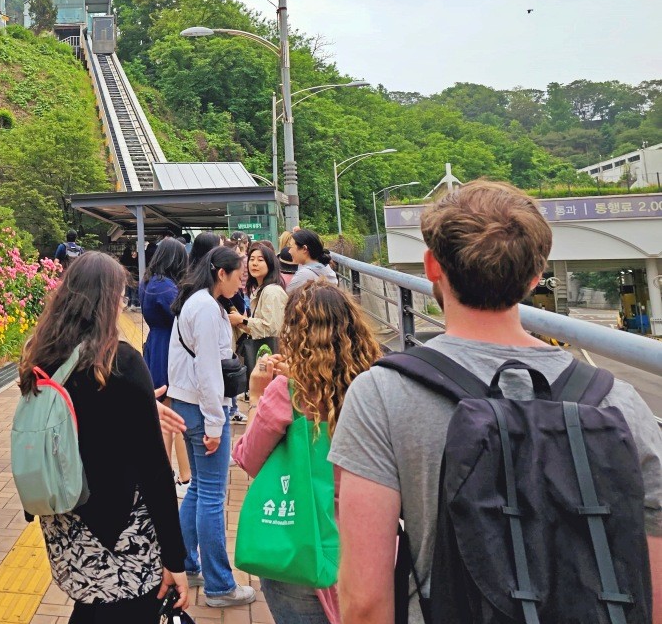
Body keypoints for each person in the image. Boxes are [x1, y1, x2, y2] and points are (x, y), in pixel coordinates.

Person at [330, 180, 662, 624]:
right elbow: (648, 586)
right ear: (534, 276)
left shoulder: (381, 395)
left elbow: (366, 602)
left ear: (431, 266)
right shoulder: (617, 401)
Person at [20, 252, 190, 622]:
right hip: (120, 526)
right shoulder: (120, 361)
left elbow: (71, 419)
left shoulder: (43, 359)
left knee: (93, 606)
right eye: (118, 296)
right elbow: (154, 471)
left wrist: (143, 409)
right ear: (107, 301)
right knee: (129, 610)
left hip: (65, 518)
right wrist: (176, 559)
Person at [233, 282, 381, 623]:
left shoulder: (287, 391)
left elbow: (248, 458)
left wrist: (258, 397)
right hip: (367, 540)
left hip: (298, 543)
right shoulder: (376, 384)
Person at [166, 245, 257, 608]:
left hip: (188, 407)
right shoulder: (205, 308)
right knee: (213, 497)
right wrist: (216, 423)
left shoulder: (198, 301)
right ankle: (221, 586)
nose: (242, 282)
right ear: (222, 273)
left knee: (200, 491)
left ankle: (188, 564)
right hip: (202, 410)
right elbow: (207, 370)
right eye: (240, 275)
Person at [141, 238, 192, 496]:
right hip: (169, 347)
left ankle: (167, 473)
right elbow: (183, 316)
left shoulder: (149, 283)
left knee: (165, 412)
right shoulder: (167, 287)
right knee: (174, 413)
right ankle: (184, 476)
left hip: (155, 344)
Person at [229, 243, 288, 369]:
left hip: (273, 356)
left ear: (270, 264)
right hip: (266, 355)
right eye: (251, 259)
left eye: (260, 260)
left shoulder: (272, 291)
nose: (254, 263)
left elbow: (272, 328)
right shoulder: (261, 289)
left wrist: (241, 320)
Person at [285, 229, 337, 295]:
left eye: (291, 247)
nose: (289, 251)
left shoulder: (304, 275)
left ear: (304, 249)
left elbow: (289, 300)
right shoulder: (325, 267)